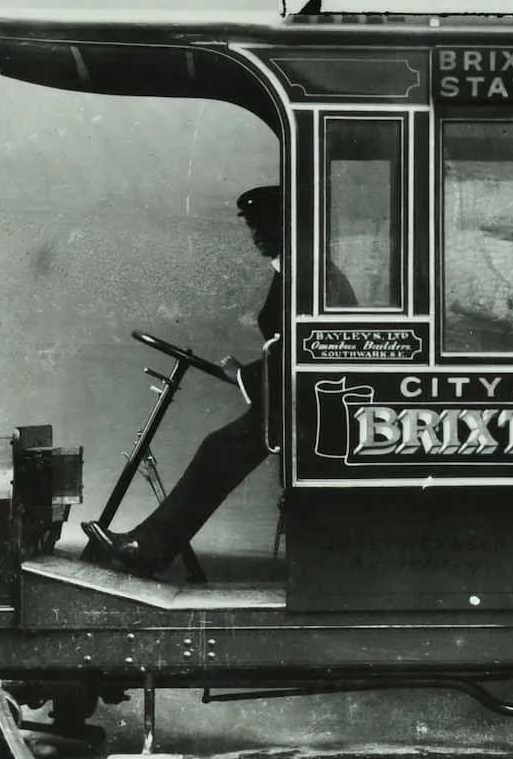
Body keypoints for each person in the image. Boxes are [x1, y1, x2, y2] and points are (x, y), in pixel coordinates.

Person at [83, 184, 351, 578]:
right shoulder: (298, 270)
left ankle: (147, 550)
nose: (256, 234)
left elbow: (310, 351)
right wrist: (247, 375)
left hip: (316, 407)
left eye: (265, 225)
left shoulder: (308, 276)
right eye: (252, 226)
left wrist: (242, 374)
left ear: (288, 225)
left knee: (219, 449)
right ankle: (147, 547)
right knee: (219, 449)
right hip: (298, 401)